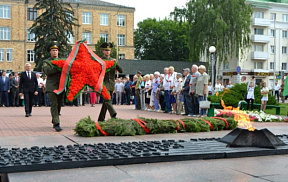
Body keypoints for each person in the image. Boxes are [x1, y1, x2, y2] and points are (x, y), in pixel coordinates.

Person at [98, 42, 123, 121]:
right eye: (106, 50)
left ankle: (101, 119)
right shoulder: (100, 60)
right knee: (107, 99)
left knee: (106, 102)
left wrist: (116, 63)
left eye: (108, 50)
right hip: (104, 83)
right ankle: (113, 114)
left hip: (111, 84)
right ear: (103, 51)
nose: (107, 51)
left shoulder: (113, 60)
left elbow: (121, 71)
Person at [42, 41, 64, 131]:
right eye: (53, 50)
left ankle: (55, 119)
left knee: (59, 104)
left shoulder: (63, 61)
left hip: (61, 86)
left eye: (56, 50)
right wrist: (59, 66)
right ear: (50, 52)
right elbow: (48, 71)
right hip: (51, 86)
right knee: (54, 104)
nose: (55, 52)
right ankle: (56, 123)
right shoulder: (46, 62)